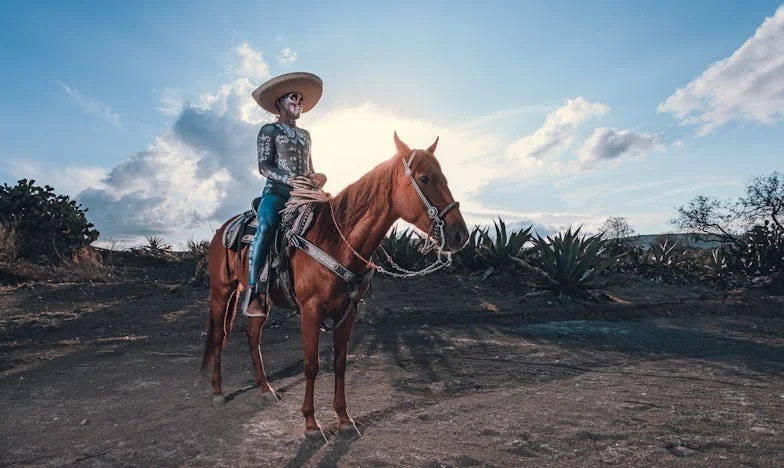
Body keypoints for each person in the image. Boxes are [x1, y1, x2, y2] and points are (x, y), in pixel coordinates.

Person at [246, 72, 327, 301]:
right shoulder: (268, 131)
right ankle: (254, 291)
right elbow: (264, 166)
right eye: (294, 98)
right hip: (277, 192)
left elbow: (310, 168)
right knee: (268, 223)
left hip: (306, 193)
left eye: (301, 100)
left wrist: (318, 177)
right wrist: (290, 179)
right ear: (279, 103)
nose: (298, 103)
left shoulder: (305, 134)